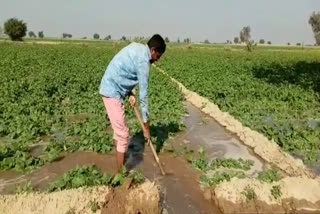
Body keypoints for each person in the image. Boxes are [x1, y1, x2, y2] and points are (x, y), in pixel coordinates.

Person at [99, 34, 166, 172]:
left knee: (119, 133)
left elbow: (125, 68)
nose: (157, 60)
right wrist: (146, 128)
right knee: (123, 135)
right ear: (153, 50)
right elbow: (144, 97)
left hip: (114, 87)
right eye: (158, 56)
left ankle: (118, 162)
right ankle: (120, 174)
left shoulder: (138, 47)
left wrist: (129, 92)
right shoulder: (144, 62)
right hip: (112, 91)